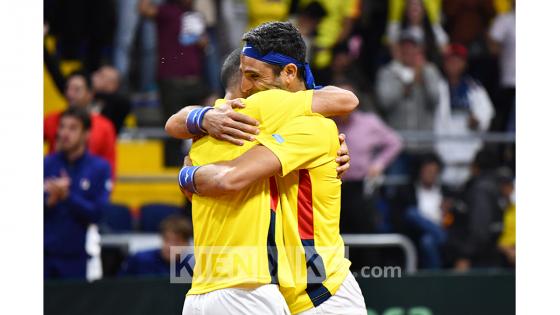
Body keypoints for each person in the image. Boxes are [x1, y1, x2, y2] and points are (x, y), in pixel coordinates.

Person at [172, 22, 366, 315]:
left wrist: (186, 172)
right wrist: (201, 119)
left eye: (253, 76)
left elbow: (346, 99)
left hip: (323, 295)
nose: (246, 88)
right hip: (279, 292)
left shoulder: (310, 125)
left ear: (289, 73)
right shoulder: (240, 123)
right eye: (243, 76)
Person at [139, 0, 210, 166]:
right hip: (171, 81)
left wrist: (201, 41)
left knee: (203, 126)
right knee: (173, 130)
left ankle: (198, 165)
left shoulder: (195, 15)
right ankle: (171, 172)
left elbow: (203, 44)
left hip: (195, 80)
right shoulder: (166, 11)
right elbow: (143, 9)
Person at [44, 108, 112, 279]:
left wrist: (67, 196)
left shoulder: (99, 168)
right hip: (44, 256)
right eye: (62, 127)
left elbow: (98, 213)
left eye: (73, 128)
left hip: (78, 258)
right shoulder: (46, 164)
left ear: (86, 134)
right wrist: (48, 201)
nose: (65, 133)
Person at [334, 81, 403, 235]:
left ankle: (368, 260)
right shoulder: (327, 123)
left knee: (365, 231)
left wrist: (378, 164)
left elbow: (394, 142)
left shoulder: (369, 122)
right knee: (337, 234)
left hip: (361, 187)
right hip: (333, 186)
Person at [376, 30, 443, 176]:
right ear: (398, 50)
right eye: (404, 47)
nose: (408, 51)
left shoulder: (430, 71)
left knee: (423, 191)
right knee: (397, 191)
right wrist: (405, 87)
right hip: (398, 146)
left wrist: (423, 76)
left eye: (413, 47)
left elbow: (435, 100)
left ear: (420, 50)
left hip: (425, 146)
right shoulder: (388, 72)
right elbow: (384, 102)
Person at [435, 43, 494, 187]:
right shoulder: (436, 86)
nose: (454, 64)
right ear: (444, 63)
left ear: (465, 64)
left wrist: (478, 120)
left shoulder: (474, 87)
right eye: (450, 60)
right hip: (442, 153)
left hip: (468, 153)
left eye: (458, 60)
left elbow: (487, 111)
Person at [44, 72, 117, 176]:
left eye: (77, 90)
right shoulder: (50, 120)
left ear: (90, 94)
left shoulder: (104, 126)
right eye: (68, 88)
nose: (70, 94)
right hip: (52, 183)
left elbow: (110, 165)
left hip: (88, 185)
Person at [394, 154, 447, 269]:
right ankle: (440, 235)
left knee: (428, 241)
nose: (431, 174)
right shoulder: (408, 191)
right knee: (412, 214)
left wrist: (447, 211)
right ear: (420, 171)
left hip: (442, 227)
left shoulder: (445, 192)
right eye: (428, 171)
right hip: (416, 233)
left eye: (434, 171)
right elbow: (400, 218)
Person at [120, 215, 192, 276]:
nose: (169, 246)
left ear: (186, 244)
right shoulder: (139, 259)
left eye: (176, 242)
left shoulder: (191, 265)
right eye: (167, 239)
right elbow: (120, 286)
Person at [488, 0, 515, 132]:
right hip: (510, 80)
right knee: (507, 123)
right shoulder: (505, 20)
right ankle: (504, 151)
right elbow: (492, 45)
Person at [91, 65, 132, 134]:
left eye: (101, 75)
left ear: (112, 84)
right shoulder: (89, 97)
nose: (94, 76)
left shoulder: (120, 103)